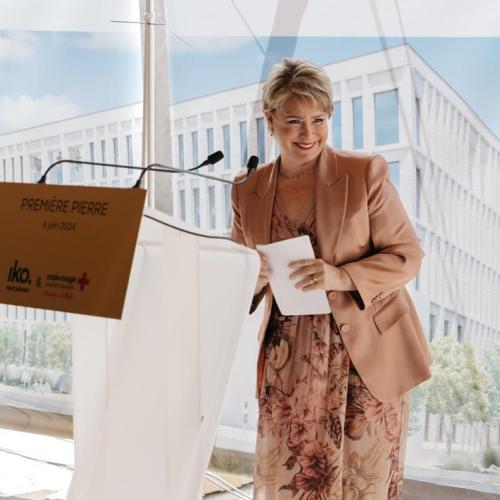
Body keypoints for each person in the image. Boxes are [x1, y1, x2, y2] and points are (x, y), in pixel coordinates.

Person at [231, 58, 432, 499]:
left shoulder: (363, 173)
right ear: (270, 120)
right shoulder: (247, 190)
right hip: (288, 362)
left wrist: (339, 275)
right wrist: (252, 275)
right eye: (294, 121)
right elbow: (232, 277)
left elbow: (407, 256)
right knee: (291, 483)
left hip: (363, 356)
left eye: (319, 119)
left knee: (361, 486)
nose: (308, 133)